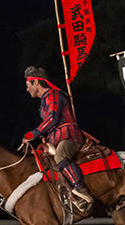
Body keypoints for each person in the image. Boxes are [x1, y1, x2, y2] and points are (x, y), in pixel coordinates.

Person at [21, 66, 93, 212]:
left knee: (60, 156)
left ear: (36, 83)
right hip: (56, 138)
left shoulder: (53, 95)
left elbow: (53, 119)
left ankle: (81, 191)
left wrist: (33, 134)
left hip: (68, 135)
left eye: (28, 85)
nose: (27, 89)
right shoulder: (43, 102)